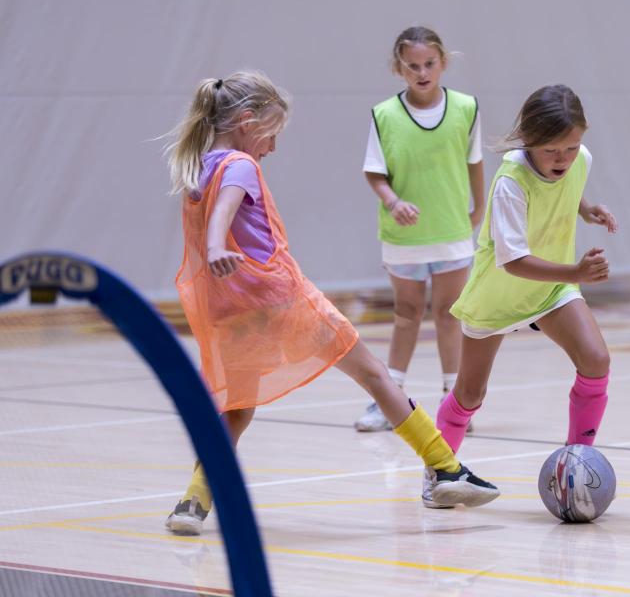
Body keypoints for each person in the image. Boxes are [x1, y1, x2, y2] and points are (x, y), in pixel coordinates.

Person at [164, 71, 498, 535]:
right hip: (281, 300)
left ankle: (192, 501)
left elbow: (216, 212)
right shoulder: (240, 166)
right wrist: (219, 243)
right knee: (374, 374)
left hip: (233, 310)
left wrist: (219, 247)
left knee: (237, 408)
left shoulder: (198, 167)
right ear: (245, 122)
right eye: (272, 133)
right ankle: (445, 468)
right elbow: (224, 209)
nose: (273, 147)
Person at [429, 84, 618, 508]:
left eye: (571, 148)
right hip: (499, 296)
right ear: (529, 139)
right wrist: (577, 271)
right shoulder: (509, 183)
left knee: (596, 360)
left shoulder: (579, 161)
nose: (563, 159)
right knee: (469, 395)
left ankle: (575, 464)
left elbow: (565, 188)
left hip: (550, 290)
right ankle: (438, 471)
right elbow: (513, 261)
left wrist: (586, 208)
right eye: (552, 151)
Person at [355, 26, 485, 433]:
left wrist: (478, 209)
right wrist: (393, 201)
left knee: (450, 316)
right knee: (407, 314)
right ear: (399, 69)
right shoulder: (384, 114)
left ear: (443, 63)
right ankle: (389, 401)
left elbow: (475, 163)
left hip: (451, 232)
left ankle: (455, 402)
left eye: (430, 64)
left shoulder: (466, 108)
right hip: (404, 238)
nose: (422, 72)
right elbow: (374, 174)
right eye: (413, 66)